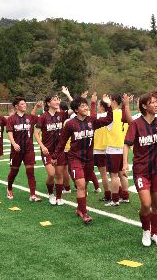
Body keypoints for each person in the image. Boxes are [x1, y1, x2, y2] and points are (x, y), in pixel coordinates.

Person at [123, 88, 157, 246]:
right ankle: (146, 231)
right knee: (146, 204)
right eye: (152, 102)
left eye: (156, 102)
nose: (156, 104)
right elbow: (126, 144)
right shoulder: (136, 124)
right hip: (141, 171)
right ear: (144, 106)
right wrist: (125, 163)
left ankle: (155, 233)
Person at [57, 93, 115, 224]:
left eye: (86, 105)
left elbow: (108, 120)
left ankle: (79, 209)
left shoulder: (91, 121)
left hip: (89, 159)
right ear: (76, 109)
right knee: (81, 185)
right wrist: (56, 157)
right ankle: (84, 213)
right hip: (74, 158)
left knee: (84, 185)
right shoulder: (70, 124)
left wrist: (108, 106)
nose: (86, 107)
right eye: (82, 106)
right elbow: (62, 142)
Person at [6, 97, 43, 200]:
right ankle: (9, 188)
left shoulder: (29, 117)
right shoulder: (11, 119)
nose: (25, 105)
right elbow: (9, 132)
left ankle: (33, 195)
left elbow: (35, 117)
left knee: (30, 172)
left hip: (29, 149)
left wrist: (36, 107)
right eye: (22, 104)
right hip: (16, 150)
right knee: (14, 171)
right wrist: (14, 144)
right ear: (16, 106)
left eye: (25, 103)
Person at [35, 94, 67, 205]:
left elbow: (74, 108)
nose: (57, 101)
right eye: (54, 100)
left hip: (59, 150)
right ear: (48, 103)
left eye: (58, 100)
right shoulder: (43, 117)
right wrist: (42, 146)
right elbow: (36, 133)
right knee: (52, 174)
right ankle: (50, 194)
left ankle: (59, 198)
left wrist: (68, 95)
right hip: (47, 150)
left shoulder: (61, 115)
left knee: (59, 174)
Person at [104, 93, 131, 206]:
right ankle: (125, 197)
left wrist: (107, 105)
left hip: (113, 148)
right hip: (123, 148)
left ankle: (115, 199)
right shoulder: (124, 113)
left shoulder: (111, 114)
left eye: (110, 100)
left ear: (114, 101)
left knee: (114, 175)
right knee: (122, 173)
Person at [93, 99, 111, 203]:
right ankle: (120, 193)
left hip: (99, 148)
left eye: (99, 105)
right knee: (114, 174)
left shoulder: (98, 117)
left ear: (102, 106)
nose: (97, 107)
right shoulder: (111, 116)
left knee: (103, 174)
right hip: (110, 147)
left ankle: (107, 194)